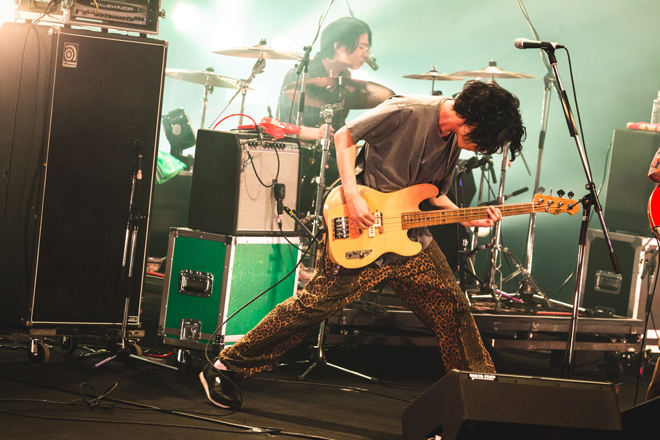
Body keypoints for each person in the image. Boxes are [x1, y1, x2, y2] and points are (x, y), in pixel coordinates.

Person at [199, 80, 526, 410]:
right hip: (363, 229)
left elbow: (433, 193)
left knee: (453, 309)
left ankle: (478, 398)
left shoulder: (454, 139)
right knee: (312, 308)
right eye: (485, 138)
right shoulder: (407, 110)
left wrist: (465, 217)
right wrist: (353, 195)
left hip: (409, 240)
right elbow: (344, 136)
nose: (482, 148)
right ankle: (225, 367)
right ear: (472, 119)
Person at [276, 16, 374, 216]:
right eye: (362, 47)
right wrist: (316, 133)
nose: (366, 54)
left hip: (332, 155)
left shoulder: (346, 78)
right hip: (301, 159)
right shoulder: (300, 74)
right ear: (339, 46)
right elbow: (282, 126)